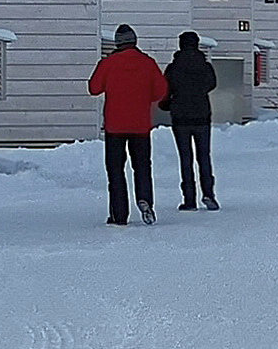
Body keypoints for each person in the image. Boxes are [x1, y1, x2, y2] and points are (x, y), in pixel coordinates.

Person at [86, 24, 170, 225]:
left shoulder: (109, 63)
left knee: (115, 170)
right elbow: (161, 91)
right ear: (135, 41)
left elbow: (94, 88)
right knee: (142, 166)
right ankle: (145, 199)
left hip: (115, 125)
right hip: (140, 125)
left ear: (117, 43)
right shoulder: (147, 63)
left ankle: (119, 214)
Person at [163, 29, 220, 210]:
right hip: (202, 115)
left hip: (180, 117)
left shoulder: (173, 67)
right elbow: (212, 84)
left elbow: (166, 90)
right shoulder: (205, 66)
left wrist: (167, 104)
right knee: (204, 156)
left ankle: (189, 199)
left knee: (185, 158)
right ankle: (209, 194)